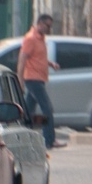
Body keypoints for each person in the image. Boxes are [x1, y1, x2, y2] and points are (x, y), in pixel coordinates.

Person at [18, 15, 61, 149]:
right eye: (48, 26)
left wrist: (50, 64)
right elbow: (22, 60)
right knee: (47, 108)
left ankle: (22, 136)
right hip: (32, 79)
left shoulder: (41, 38)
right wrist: (20, 81)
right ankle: (49, 140)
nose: (49, 29)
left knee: (28, 111)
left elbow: (37, 57)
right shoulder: (30, 38)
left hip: (39, 78)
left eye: (50, 26)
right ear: (40, 23)